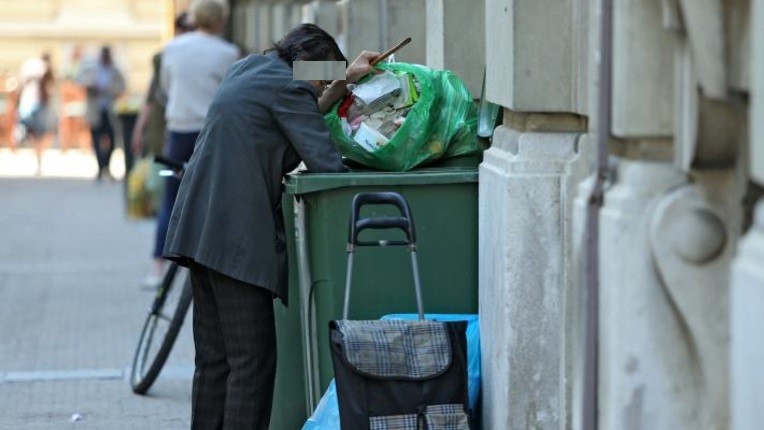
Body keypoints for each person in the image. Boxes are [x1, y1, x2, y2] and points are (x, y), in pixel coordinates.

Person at [163, 23, 378, 429]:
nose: (317, 87)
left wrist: (341, 78)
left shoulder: (250, 67)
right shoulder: (289, 89)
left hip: (198, 225)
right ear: (308, 66)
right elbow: (326, 163)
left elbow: (294, 96)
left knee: (214, 359)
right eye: (320, 78)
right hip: (236, 237)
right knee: (252, 360)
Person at [141, 0, 239, 287]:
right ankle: (208, 263)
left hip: (178, 133)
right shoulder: (229, 52)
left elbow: (165, 88)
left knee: (172, 198)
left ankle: (158, 267)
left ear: (194, 18)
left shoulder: (172, 48)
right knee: (213, 197)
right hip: (212, 134)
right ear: (222, 20)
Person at [78, 46, 126, 181]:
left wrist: (111, 90)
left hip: (110, 110)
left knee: (111, 139)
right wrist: (94, 86)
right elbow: (82, 81)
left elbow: (122, 86)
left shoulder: (114, 70)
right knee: (96, 139)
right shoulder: (93, 69)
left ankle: (107, 165)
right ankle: (100, 167)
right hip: (96, 109)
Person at [15, 52, 55, 175]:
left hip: (28, 102)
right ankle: (38, 157)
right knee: (41, 133)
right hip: (38, 103)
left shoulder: (29, 67)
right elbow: (50, 82)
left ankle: (37, 157)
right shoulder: (44, 67)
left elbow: (20, 85)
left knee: (35, 132)